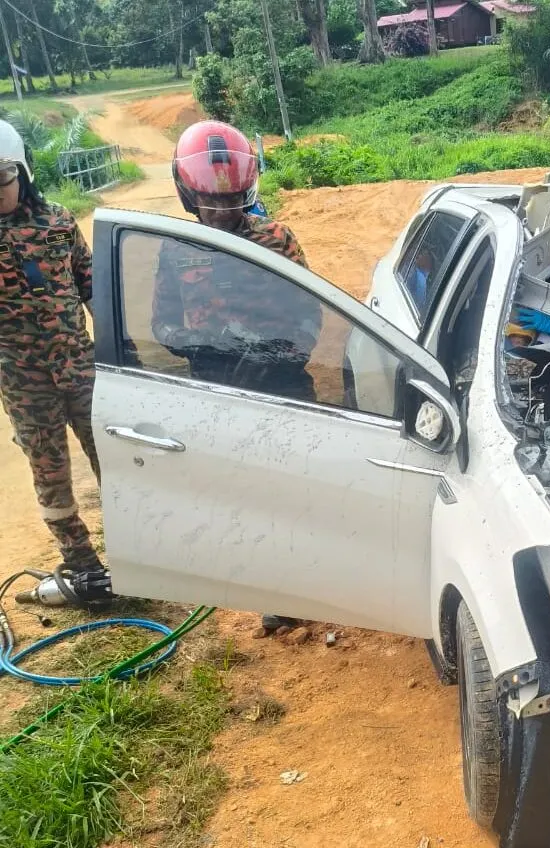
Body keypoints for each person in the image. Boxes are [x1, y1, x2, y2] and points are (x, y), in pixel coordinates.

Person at [154, 119, 321, 636]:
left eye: (230, 202)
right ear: (188, 194)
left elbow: (310, 317)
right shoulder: (175, 247)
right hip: (215, 387)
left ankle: (302, 586)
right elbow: (161, 323)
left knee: (294, 491)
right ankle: (261, 586)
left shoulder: (276, 238)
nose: (221, 212)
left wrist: (274, 353)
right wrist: (203, 348)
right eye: (210, 202)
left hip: (280, 384)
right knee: (241, 494)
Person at [0, 120, 103, 575]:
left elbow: (91, 284)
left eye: (1, 179)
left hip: (81, 368)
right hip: (24, 384)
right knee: (51, 475)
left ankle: (140, 548)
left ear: (22, 171)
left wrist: (122, 346)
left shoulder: (58, 221)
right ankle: (81, 563)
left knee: (114, 458)